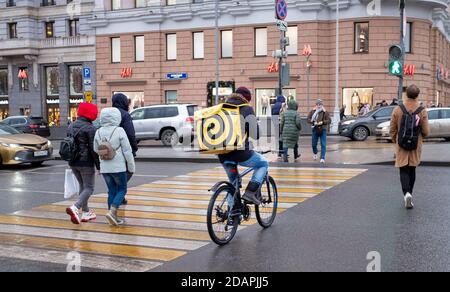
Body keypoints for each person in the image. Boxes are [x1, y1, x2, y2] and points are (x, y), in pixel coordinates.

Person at [218, 87, 268, 205]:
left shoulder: (222, 107)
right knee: (263, 163)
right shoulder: (246, 109)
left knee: (233, 184)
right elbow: (255, 135)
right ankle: (250, 192)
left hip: (222, 154)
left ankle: (231, 214)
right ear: (246, 99)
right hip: (240, 153)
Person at [390, 85, 429, 209]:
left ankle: (406, 193)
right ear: (417, 95)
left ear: (406, 95)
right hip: (415, 144)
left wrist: (395, 139)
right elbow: (426, 131)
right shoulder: (422, 110)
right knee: (412, 169)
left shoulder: (398, 109)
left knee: (403, 169)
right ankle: (410, 194)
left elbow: (392, 129)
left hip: (401, 144)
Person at [94, 108, 136, 226]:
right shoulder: (119, 130)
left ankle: (112, 217)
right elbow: (127, 151)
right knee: (122, 189)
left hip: (105, 167)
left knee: (111, 191)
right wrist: (131, 167)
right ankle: (112, 212)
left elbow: (95, 149)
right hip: (118, 167)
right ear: (116, 117)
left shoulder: (98, 131)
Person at [66, 102, 101, 225]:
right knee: (89, 188)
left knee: (82, 186)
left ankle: (85, 212)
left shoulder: (71, 125)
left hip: (72, 161)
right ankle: (75, 207)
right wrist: (99, 166)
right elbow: (93, 149)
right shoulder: (91, 128)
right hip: (85, 162)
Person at [112, 93, 138, 205]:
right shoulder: (125, 115)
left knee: (114, 172)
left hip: (110, 149)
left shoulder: (108, 114)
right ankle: (118, 194)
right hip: (123, 149)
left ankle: (118, 197)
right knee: (128, 171)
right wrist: (134, 148)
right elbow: (130, 134)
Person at [308, 99, 331, 164]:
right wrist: (313, 122)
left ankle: (322, 158)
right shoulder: (312, 111)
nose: (319, 106)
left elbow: (329, 120)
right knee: (313, 144)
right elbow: (308, 119)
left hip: (322, 129)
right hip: (315, 129)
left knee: (323, 144)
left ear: (322, 105)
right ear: (316, 105)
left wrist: (322, 122)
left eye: (320, 104)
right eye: (317, 104)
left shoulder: (325, 112)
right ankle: (315, 152)